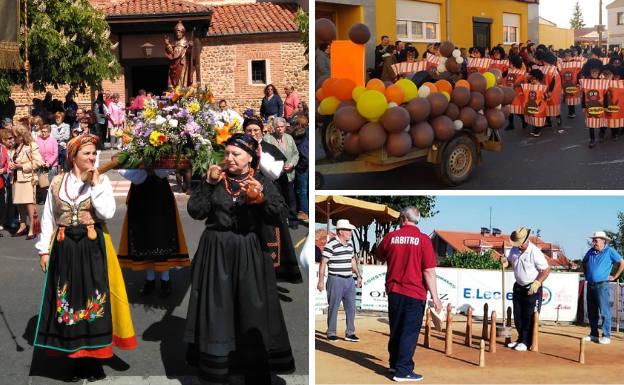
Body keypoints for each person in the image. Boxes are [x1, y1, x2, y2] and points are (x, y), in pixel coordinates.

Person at [184, 133, 296, 385]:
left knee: (251, 308)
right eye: (227, 153)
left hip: (249, 252)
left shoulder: (261, 182)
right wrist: (209, 183)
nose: (230, 158)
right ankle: (217, 368)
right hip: (216, 252)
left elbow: (279, 214)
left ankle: (252, 368)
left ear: (250, 158)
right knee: (218, 309)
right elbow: (195, 211)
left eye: (236, 154)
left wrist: (260, 200)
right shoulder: (216, 179)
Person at [34, 133, 137, 382]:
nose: (92, 157)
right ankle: (73, 356)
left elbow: (107, 213)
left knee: (94, 298)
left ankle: (94, 360)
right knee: (68, 297)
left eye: (94, 153)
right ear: (73, 157)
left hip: (92, 247)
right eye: (86, 154)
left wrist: (96, 185)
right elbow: (48, 217)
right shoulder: (58, 182)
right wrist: (44, 251)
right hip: (64, 247)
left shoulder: (98, 181)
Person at [375, 207, 442, 382]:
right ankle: (403, 370)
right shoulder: (424, 240)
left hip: (394, 291)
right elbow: (428, 271)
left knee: (396, 329)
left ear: (404, 218)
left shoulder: (391, 237)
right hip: (415, 292)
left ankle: (394, 364)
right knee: (409, 332)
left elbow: (379, 256)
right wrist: (435, 297)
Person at [242, 117, 302, 282]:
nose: (253, 133)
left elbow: (277, 173)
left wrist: (260, 158)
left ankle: (271, 274)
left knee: (270, 235)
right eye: (249, 130)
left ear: (262, 131)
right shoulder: (241, 147)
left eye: (256, 130)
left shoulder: (268, 148)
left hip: (269, 195)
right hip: (246, 197)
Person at [116, 168, 190, 297]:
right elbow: (123, 168)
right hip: (139, 195)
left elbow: (167, 169)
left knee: (163, 236)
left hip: (160, 195)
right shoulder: (130, 149)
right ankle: (149, 279)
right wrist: (144, 170)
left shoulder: (165, 150)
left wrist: (155, 169)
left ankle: (165, 279)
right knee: (144, 238)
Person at [500, 227, 550, 352]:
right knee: (518, 316)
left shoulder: (535, 252)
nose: (518, 246)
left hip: (532, 288)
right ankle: (520, 339)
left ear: (526, 240)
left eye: (520, 244)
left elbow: (545, 270)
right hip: (518, 287)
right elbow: (511, 262)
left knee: (529, 316)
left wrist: (537, 282)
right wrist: (505, 262)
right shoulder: (514, 250)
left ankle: (526, 342)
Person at [317, 219, 362, 342]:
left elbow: (352, 260)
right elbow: (323, 263)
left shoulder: (350, 245)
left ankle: (350, 333)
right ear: (341, 231)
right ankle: (331, 332)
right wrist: (320, 281)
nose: (350, 232)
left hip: (349, 280)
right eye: (348, 230)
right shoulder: (330, 245)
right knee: (334, 307)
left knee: (351, 307)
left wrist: (358, 275)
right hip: (335, 279)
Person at [582, 231, 624, 344]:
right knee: (592, 311)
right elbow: (584, 262)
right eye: (593, 240)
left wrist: (615, 276)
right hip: (590, 284)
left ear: (603, 241)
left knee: (604, 311)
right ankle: (594, 334)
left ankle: (606, 336)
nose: (593, 242)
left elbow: (621, 262)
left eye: (596, 240)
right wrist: (587, 274)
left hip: (602, 285)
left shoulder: (609, 251)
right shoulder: (590, 251)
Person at [8, 124, 44, 239]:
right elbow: (12, 160)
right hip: (16, 179)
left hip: (27, 179)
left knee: (29, 204)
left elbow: (39, 162)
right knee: (20, 204)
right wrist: (11, 165)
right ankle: (23, 225)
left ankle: (33, 228)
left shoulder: (32, 145)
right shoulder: (15, 147)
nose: (13, 138)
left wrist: (21, 166)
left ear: (22, 136)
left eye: (15, 136)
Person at [263, 117, 299, 227]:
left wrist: (292, 163)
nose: (280, 129)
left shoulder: (289, 138)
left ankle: (293, 220)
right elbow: (266, 156)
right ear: (274, 128)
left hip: (288, 174)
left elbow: (295, 154)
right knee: (278, 198)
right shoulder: (268, 138)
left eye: (282, 127)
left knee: (290, 197)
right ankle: (280, 220)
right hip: (275, 175)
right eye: (277, 127)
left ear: (285, 127)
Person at [165, 21, 193, 88]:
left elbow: (189, 53)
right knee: (173, 77)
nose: (177, 34)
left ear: (183, 33)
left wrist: (190, 47)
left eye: (179, 32)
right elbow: (171, 54)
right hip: (174, 64)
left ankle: (182, 90)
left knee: (182, 78)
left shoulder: (186, 43)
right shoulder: (174, 44)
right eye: (176, 32)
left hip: (182, 63)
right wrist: (167, 44)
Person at [35, 125, 58, 204]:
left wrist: (49, 163)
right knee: (42, 183)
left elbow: (55, 153)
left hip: (52, 165)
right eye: (42, 131)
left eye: (46, 132)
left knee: (51, 183)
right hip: (41, 164)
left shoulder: (53, 140)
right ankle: (43, 198)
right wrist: (41, 162)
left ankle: (52, 199)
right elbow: (36, 152)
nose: (44, 133)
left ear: (49, 132)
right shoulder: (38, 140)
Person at [0, 129, 17, 233]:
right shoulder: (3, 149)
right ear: (3, 139)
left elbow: (7, 164)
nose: (12, 140)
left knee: (11, 200)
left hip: (11, 177)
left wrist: (4, 169)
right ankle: (5, 220)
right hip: (4, 178)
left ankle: (10, 219)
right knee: (4, 201)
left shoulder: (14, 148)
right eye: (10, 138)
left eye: (13, 138)